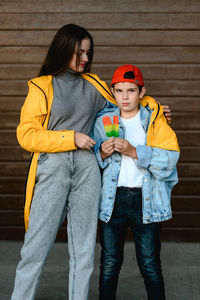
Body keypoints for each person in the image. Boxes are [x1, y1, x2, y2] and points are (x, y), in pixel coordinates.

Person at [11, 24, 172, 300]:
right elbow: (26, 135)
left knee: (84, 252)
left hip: (88, 169)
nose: (85, 59)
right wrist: (70, 137)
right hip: (54, 167)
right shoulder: (41, 86)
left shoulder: (94, 84)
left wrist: (154, 108)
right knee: (34, 248)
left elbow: (126, 100)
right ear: (63, 50)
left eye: (88, 52)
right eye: (79, 53)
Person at [92, 64, 180, 300]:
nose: (125, 97)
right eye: (119, 91)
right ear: (113, 92)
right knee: (109, 263)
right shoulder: (103, 122)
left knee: (150, 263)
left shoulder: (155, 122)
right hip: (112, 200)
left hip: (146, 199)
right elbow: (89, 162)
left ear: (142, 92)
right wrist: (101, 152)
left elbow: (170, 160)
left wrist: (134, 151)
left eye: (131, 90)